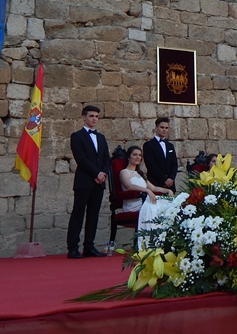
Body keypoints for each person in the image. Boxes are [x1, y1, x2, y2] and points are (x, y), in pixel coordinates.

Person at [67, 105, 109, 259]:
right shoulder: (77, 136)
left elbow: (106, 158)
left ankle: (89, 246)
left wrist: (103, 173)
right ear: (84, 117)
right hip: (84, 181)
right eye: (91, 116)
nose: (94, 119)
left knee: (93, 215)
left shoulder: (101, 137)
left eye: (96, 116)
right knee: (78, 214)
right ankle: (72, 248)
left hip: (99, 182)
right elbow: (81, 158)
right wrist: (96, 173)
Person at [119, 145, 173, 213]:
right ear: (128, 157)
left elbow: (153, 188)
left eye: (140, 155)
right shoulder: (124, 172)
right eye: (135, 155)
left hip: (144, 202)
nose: (138, 157)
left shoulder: (140, 174)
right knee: (157, 210)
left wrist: (167, 190)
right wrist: (147, 190)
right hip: (133, 205)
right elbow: (129, 186)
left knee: (166, 207)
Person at [143, 117, 179, 192]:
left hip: (170, 185)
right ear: (156, 128)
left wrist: (171, 178)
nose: (164, 130)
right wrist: (164, 179)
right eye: (162, 127)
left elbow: (174, 164)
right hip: (155, 183)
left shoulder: (170, 146)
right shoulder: (148, 145)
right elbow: (150, 164)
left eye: (166, 128)